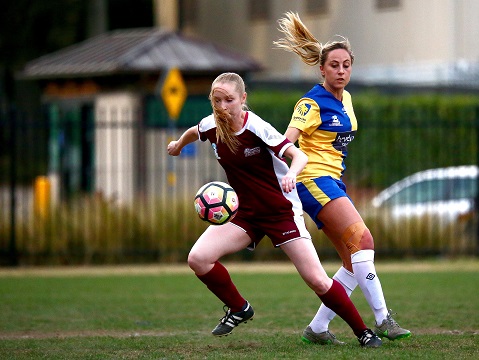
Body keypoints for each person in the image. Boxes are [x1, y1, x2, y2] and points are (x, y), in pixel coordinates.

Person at [167, 72, 381, 347]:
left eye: (229, 100)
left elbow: (299, 154)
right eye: (216, 100)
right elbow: (193, 132)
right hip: (246, 214)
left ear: (243, 99)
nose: (222, 107)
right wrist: (177, 145)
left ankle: (363, 332)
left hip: (280, 212)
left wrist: (292, 174)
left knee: (317, 280)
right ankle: (239, 308)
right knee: (198, 258)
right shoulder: (212, 125)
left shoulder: (256, 127)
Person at [274, 12, 411, 345]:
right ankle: (383, 320)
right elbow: (284, 143)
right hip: (312, 181)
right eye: (334, 65)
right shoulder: (311, 103)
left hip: (333, 181)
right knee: (364, 241)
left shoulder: (346, 98)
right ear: (322, 69)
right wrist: (288, 173)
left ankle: (318, 329)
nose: (341, 71)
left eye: (346, 65)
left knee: (353, 259)